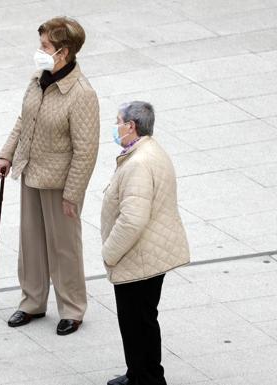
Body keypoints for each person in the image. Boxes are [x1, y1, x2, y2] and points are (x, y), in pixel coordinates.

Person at [0, 16, 100, 335]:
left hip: (59, 182)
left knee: (64, 246)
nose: (40, 51)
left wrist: (73, 194)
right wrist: (7, 153)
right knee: (31, 242)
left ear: (63, 52)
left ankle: (72, 308)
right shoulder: (39, 78)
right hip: (30, 172)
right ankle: (32, 302)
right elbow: (23, 118)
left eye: (45, 46)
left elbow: (86, 150)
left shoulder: (81, 94)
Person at [101, 101, 190, 385]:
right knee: (145, 319)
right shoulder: (149, 150)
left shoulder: (138, 163)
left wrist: (109, 254)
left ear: (131, 126)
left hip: (138, 256)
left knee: (135, 322)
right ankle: (145, 374)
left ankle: (144, 378)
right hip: (150, 253)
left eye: (118, 121)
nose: (115, 127)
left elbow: (132, 220)